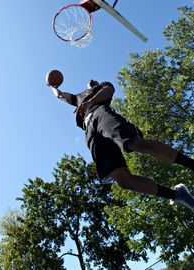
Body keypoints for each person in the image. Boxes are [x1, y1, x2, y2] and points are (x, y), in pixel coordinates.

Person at [50, 79, 194, 212]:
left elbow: (108, 91)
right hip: (89, 131)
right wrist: (53, 87)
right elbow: (61, 96)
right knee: (123, 180)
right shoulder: (78, 98)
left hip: (100, 113)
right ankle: (176, 195)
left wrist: (91, 100)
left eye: (93, 82)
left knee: (133, 143)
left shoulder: (102, 88)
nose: (90, 81)